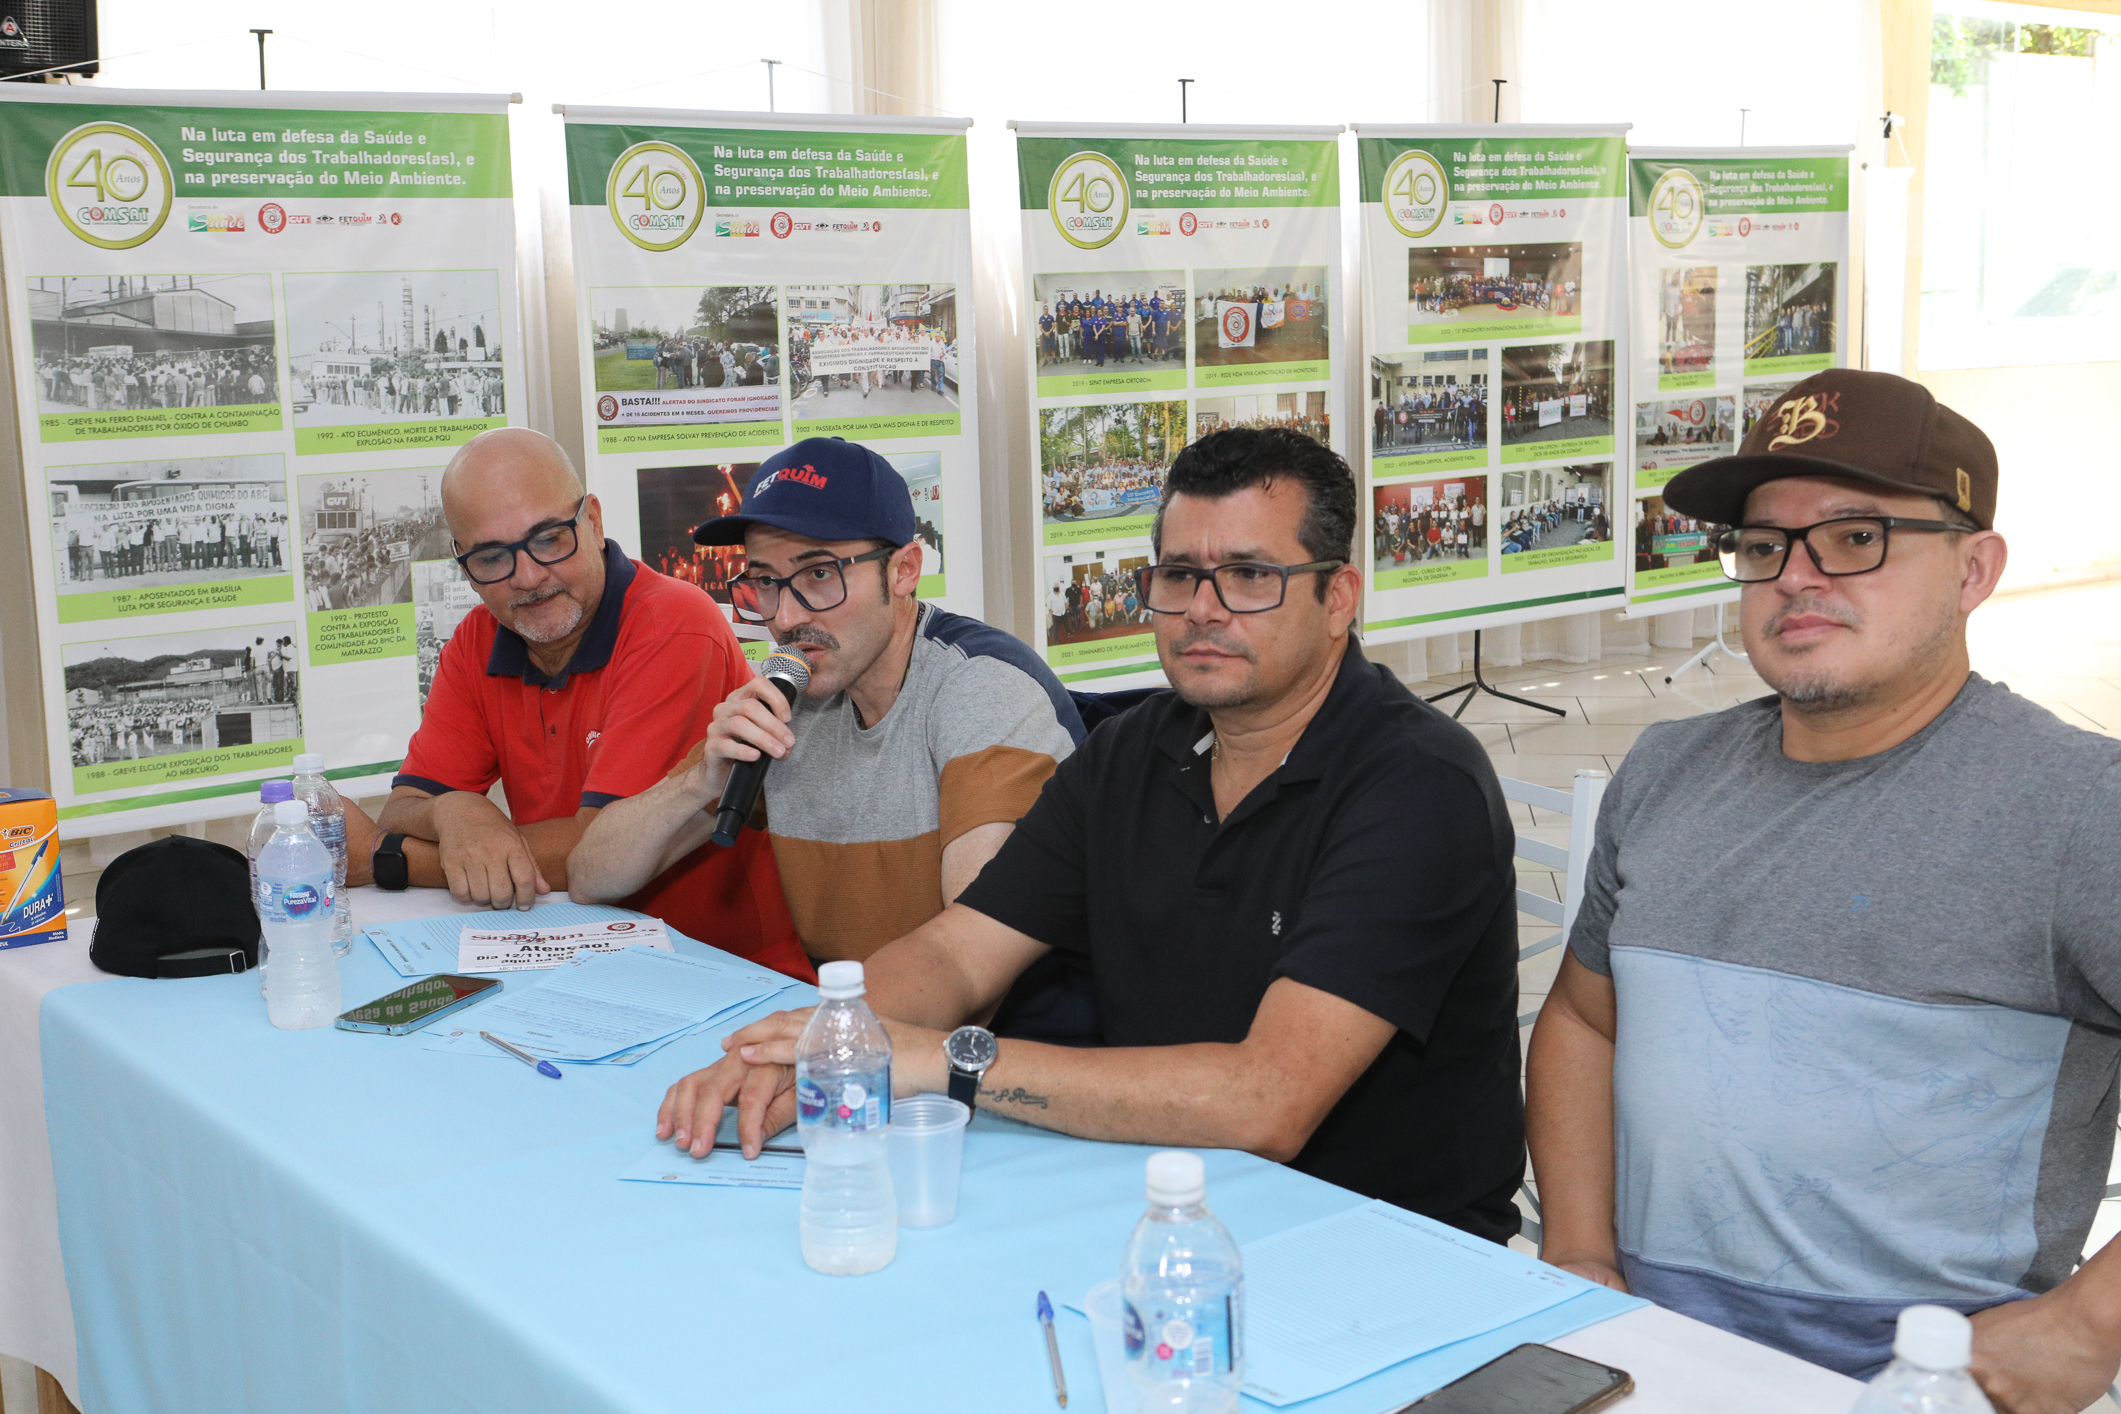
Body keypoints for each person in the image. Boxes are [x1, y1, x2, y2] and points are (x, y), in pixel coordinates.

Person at [659, 427, 1526, 1241]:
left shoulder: (1418, 784)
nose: (1203, 610)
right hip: (1154, 1195)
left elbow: (1264, 1103)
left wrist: (941, 1061)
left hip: (1379, 1243)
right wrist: (823, 1041)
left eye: (1251, 576)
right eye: (1178, 575)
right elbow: (961, 952)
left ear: (1337, 597)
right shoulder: (1135, 751)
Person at [1527, 369, 2121, 1405]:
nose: (1797, 577)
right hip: (1646, 1361)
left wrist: (2089, 1321)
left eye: (1856, 538)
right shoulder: (1667, 771)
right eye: (1765, 547)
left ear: (1975, 568)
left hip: (1909, 1382)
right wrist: (1579, 1254)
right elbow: (1584, 1018)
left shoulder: (2077, 809)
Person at [571, 438, 1090, 1033]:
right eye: (765, 582)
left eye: (819, 574)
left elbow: (971, 963)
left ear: (903, 571)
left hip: (1007, 1061)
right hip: (863, 1035)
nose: (787, 618)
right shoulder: (795, 696)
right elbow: (593, 876)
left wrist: (810, 1048)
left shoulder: (983, 691)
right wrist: (698, 782)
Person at [341, 427, 807, 977]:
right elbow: (407, 806)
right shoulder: (476, 640)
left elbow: (596, 853)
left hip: (718, 969)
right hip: (568, 961)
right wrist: (454, 810)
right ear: (462, 562)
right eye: (492, 557)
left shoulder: (674, 626)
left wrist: (386, 858)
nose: (529, 577)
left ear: (594, 520)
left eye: (548, 539)